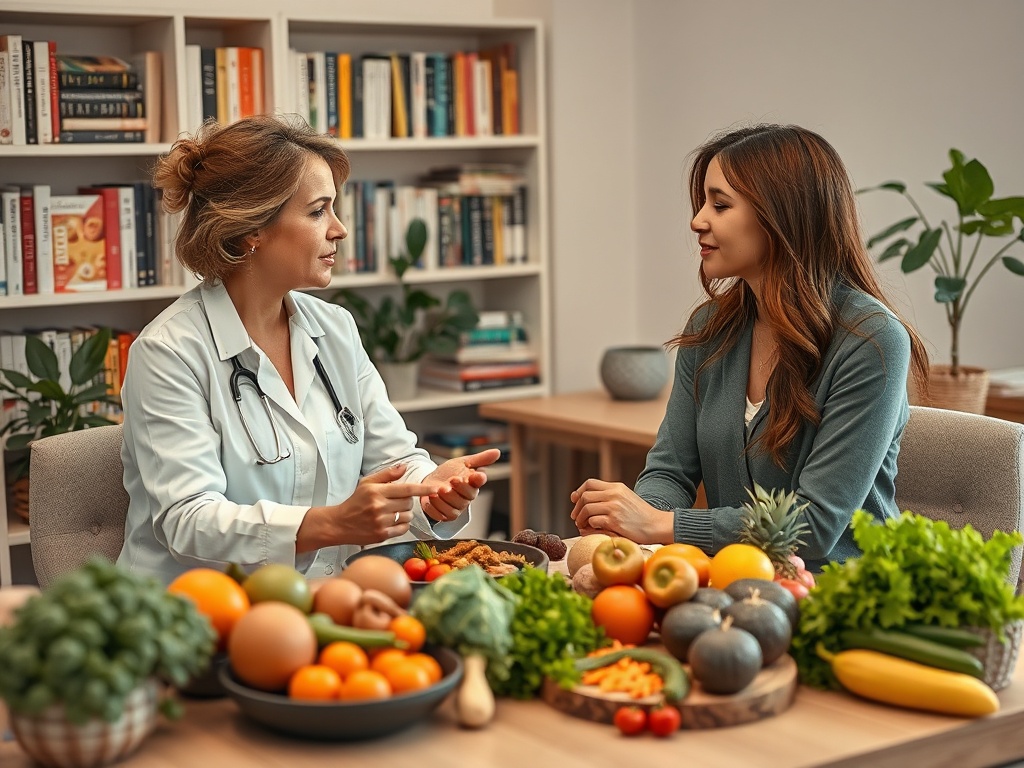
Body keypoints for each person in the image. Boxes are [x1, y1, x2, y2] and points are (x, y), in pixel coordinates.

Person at [117, 114, 499, 583]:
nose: (339, 229)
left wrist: (431, 487)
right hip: (197, 618)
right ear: (251, 229)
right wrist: (330, 524)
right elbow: (188, 520)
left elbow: (394, 459)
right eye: (319, 211)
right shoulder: (169, 352)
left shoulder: (334, 329)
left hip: (316, 603)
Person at [570, 124, 929, 571]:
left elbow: (813, 525)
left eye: (720, 204)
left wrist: (662, 526)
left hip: (839, 602)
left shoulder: (871, 342)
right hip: (733, 587)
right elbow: (669, 470)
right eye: (703, 202)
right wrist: (635, 522)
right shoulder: (710, 329)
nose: (697, 219)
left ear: (783, 216)